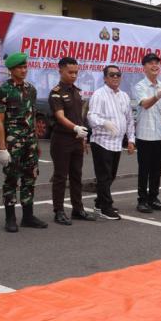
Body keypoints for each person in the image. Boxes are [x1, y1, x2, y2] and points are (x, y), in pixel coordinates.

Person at [0, 52, 48, 232]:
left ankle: (28, 216)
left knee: (30, 177)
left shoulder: (31, 89)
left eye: (25, 67)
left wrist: (36, 143)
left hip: (29, 141)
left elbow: (31, 117)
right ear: (11, 70)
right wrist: (2, 148)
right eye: (20, 67)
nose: (24, 70)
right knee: (11, 179)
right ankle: (10, 218)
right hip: (12, 141)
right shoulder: (3, 90)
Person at [48, 56, 95, 225]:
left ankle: (78, 209)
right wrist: (75, 128)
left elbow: (79, 116)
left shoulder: (76, 91)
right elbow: (60, 116)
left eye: (76, 72)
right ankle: (59, 211)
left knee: (77, 175)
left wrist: (82, 137)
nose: (74, 75)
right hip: (61, 139)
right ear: (60, 71)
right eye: (70, 72)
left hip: (76, 139)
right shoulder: (56, 92)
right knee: (61, 176)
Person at [87, 65, 136, 220]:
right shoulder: (99, 95)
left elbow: (129, 120)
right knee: (104, 176)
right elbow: (91, 116)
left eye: (118, 75)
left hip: (116, 143)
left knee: (111, 175)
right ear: (105, 78)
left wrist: (131, 139)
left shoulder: (124, 96)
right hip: (101, 141)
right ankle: (105, 207)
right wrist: (104, 123)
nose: (116, 77)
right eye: (112, 75)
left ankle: (99, 203)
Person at [133, 53, 161, 213]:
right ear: (144, 67)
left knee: (157, 169)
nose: (155, 66)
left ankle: (153, 198)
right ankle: (142, 200)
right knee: (144, 169)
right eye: (151, 63)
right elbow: (146, 104)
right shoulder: (140, 86)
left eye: (157, 63)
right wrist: (156, 96)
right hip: (144, 135)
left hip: (159, 135)